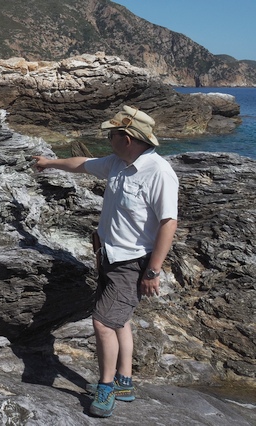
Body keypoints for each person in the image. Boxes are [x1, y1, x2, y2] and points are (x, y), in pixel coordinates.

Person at [32, 105, 179, 418]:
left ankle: (106, 386)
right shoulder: (117, 163)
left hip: (133, 262)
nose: (107, 138)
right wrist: (49, 163)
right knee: (119, 319)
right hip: (109, 256)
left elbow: (169, 223)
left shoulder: (159, 172)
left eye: (111, 134)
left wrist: (153, 270)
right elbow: (82, 164)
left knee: (102, 322)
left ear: (126, 138)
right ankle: (124, 380)